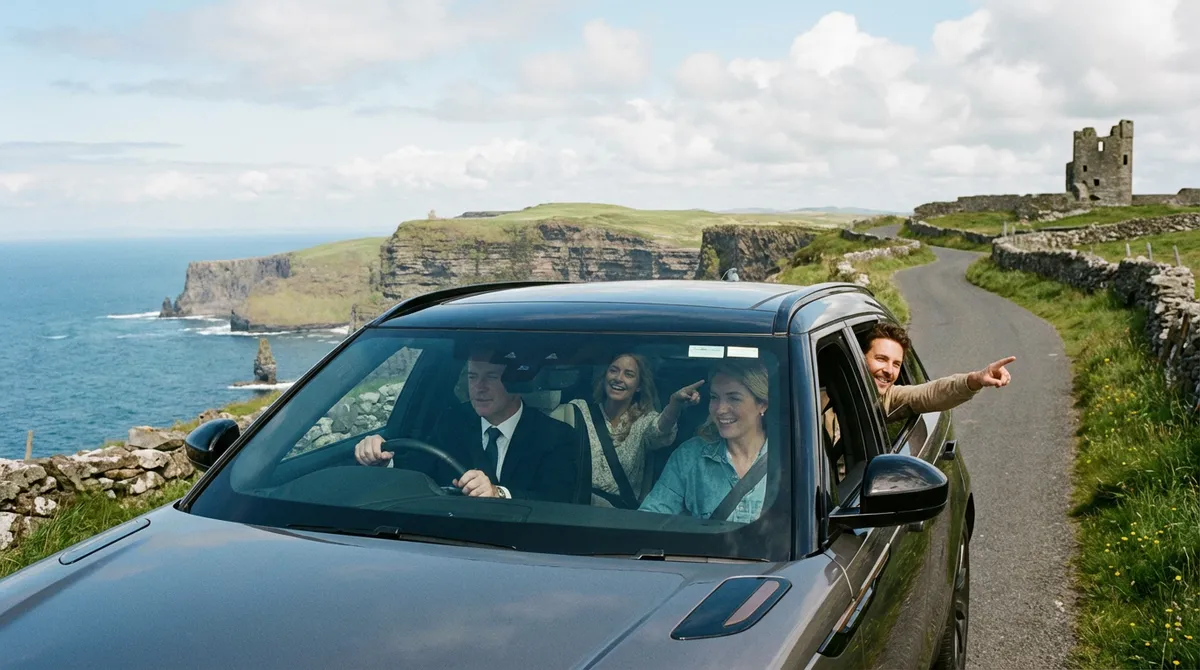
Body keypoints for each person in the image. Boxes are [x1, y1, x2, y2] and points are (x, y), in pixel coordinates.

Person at [354, 348, 579, 503]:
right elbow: (418, 468)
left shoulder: (556, 436)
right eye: (472, 377)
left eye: (491, 377)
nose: (479, 387)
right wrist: (382, 458)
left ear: (516, 384)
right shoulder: (451, 422)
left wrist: (497, 493)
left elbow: (558, 501)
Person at [639, 360, 771, 524]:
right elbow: (649, 518)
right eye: (714, 397)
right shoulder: (690, 456)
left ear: (762, 405)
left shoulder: (790, 457)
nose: (720, 409)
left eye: (734, 399)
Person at [568, 353, 704, 508]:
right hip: (574, 509)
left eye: (629, 374)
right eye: (613, 370)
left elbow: (660, 430)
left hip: (617, 516)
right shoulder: (578, 410)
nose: (618, 378)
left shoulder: (643, 422)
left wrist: (674, 404)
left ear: (639, 386)